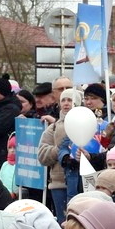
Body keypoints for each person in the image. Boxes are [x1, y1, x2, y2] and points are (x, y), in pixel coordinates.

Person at [37, 89, 82, 218]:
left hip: (82, 182)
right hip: (59, 183)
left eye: (70, 100)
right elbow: (42, 156)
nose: (66, 103)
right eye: (63, 100)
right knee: (62, 222)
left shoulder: (87, 123)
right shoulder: (53, 127)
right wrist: (60, 149)